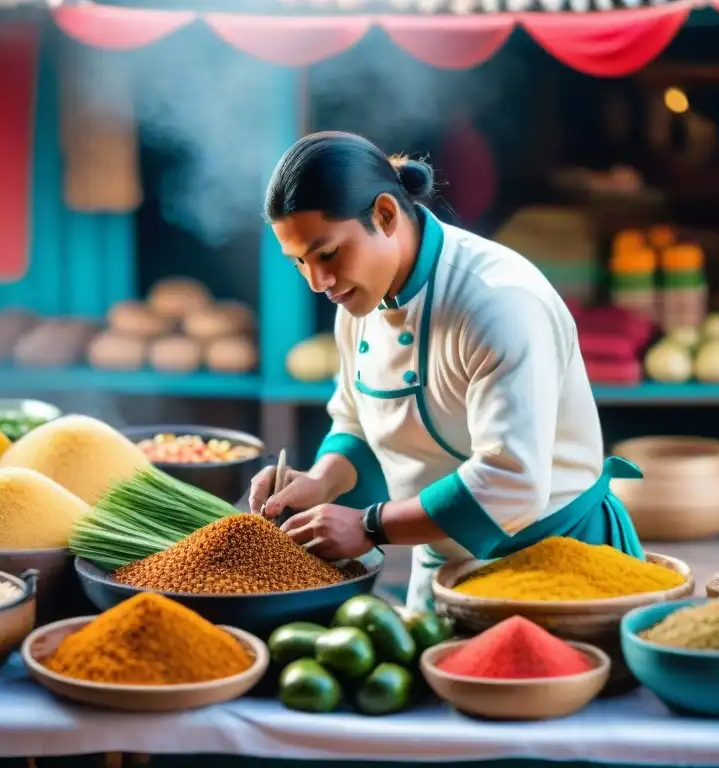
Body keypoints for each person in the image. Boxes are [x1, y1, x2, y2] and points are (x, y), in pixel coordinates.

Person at [249, 131, 644, 612]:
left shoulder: (496, 302)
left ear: (384, 215)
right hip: (444, 565)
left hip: (557, 558)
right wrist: (320, 480)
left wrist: (369, 526)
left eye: (327, 253)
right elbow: (354, 416)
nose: (318, 282)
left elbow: (510, 482)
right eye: (299, 263)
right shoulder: (358, 298)